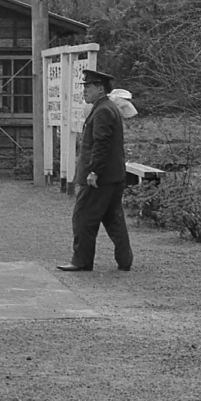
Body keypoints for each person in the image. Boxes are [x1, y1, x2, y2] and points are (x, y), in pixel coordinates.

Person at [57, 69, 134, 272]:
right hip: (113, 176)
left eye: (88, 87)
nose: (85, 91)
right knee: (113, 217)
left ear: (100, 89)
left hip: (100, 177)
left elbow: (101, 143)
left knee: (83, 216)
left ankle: (81, 260)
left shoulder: (103, 110)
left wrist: (94, 171)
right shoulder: (107, 108)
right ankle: (124, 260)